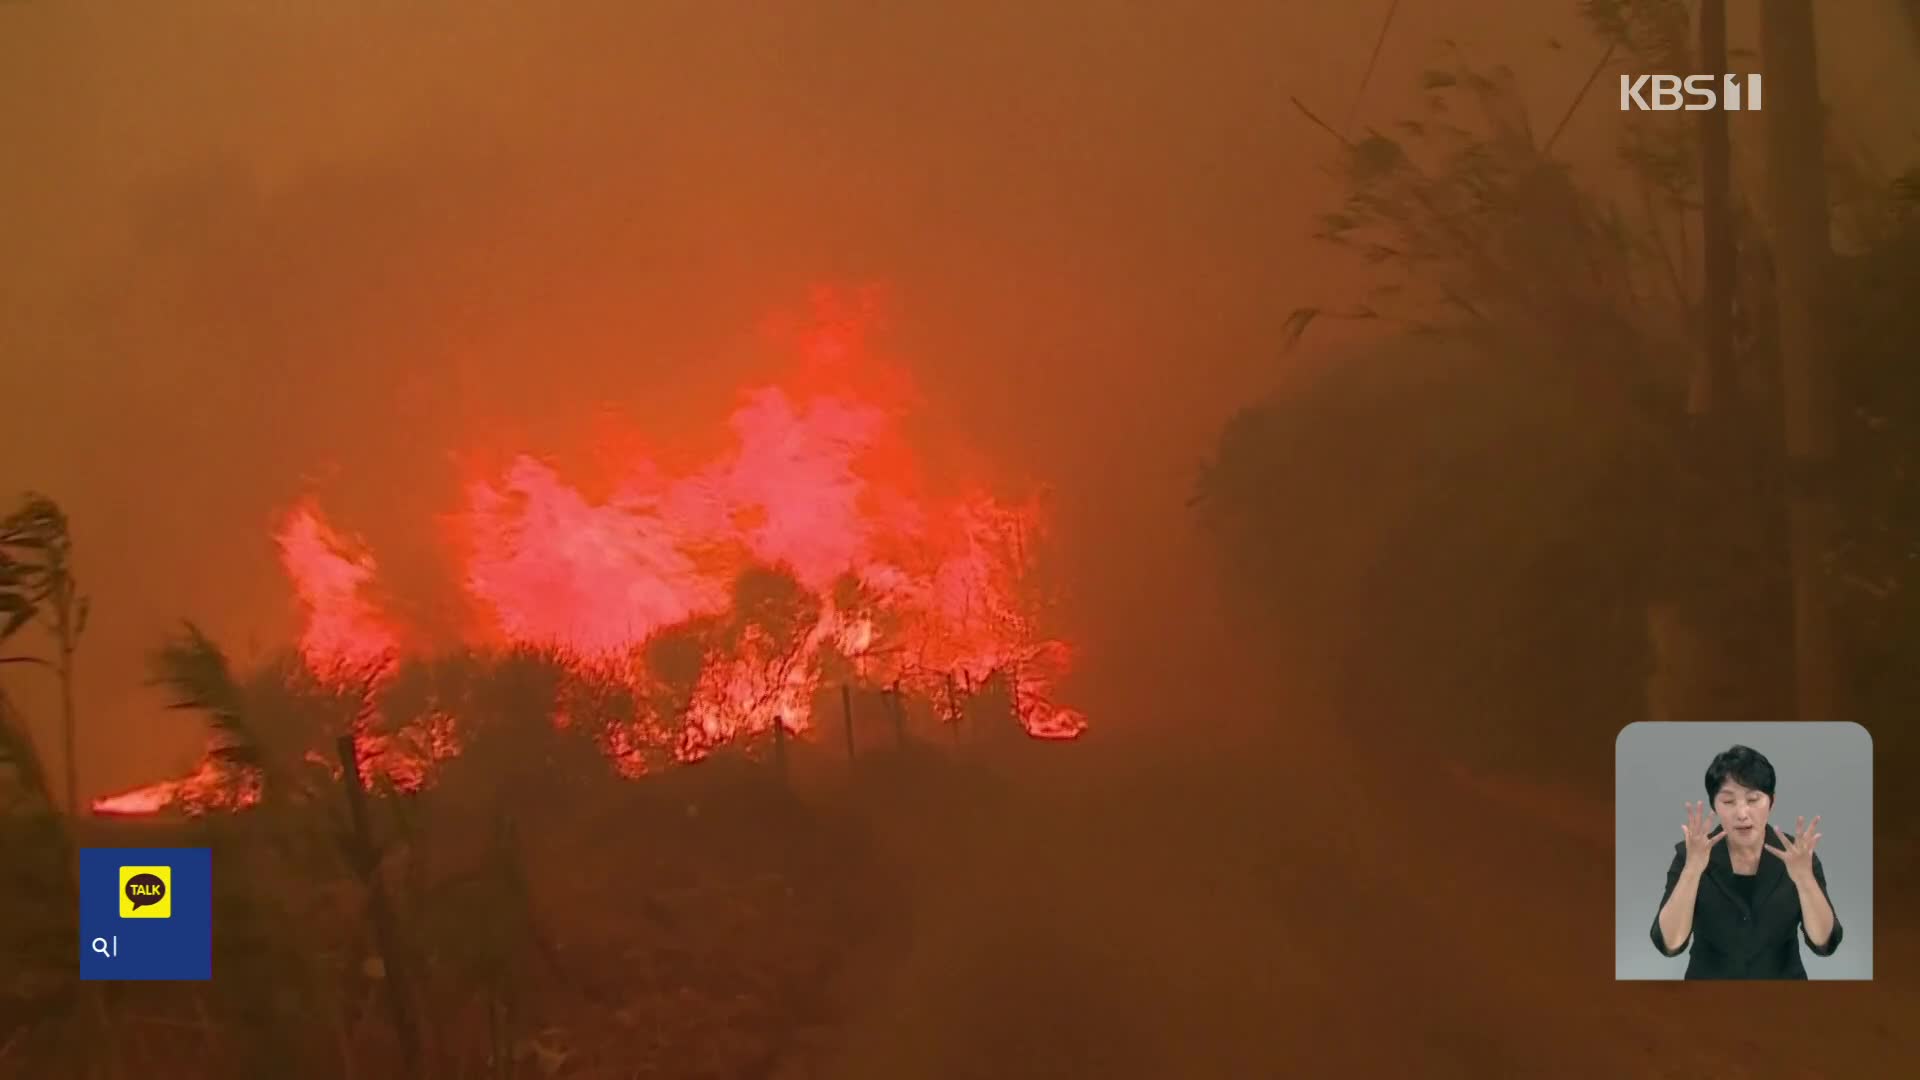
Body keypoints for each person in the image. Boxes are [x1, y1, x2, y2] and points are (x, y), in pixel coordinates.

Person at [1650, 744, 1842, 979]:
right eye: (1728, 802)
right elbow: (1670, 944)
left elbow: (1824, 943)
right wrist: (1692, 870)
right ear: (1714, 805)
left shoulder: (1798, 856)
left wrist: (1804, 879)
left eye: (1753, 799)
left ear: (1771, 802)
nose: (1742, 813)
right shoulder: (1689, 856)